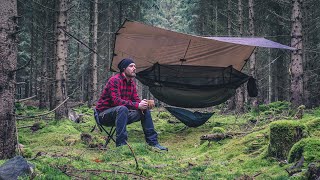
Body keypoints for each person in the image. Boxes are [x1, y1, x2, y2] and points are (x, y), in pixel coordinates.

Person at [95, 58, 168, 151]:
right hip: (103, 115)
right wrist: (137, 105)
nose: (134, 68)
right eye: (131, 66)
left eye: (135, 66)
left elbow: (136, 100)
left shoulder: (131, 83)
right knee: (122, 109)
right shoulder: (114, 80)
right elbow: (116, 101)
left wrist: (144, 104)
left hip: (122, 115)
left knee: (144, 110)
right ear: (123, 69)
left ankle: (153, 143)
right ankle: (121, 146)